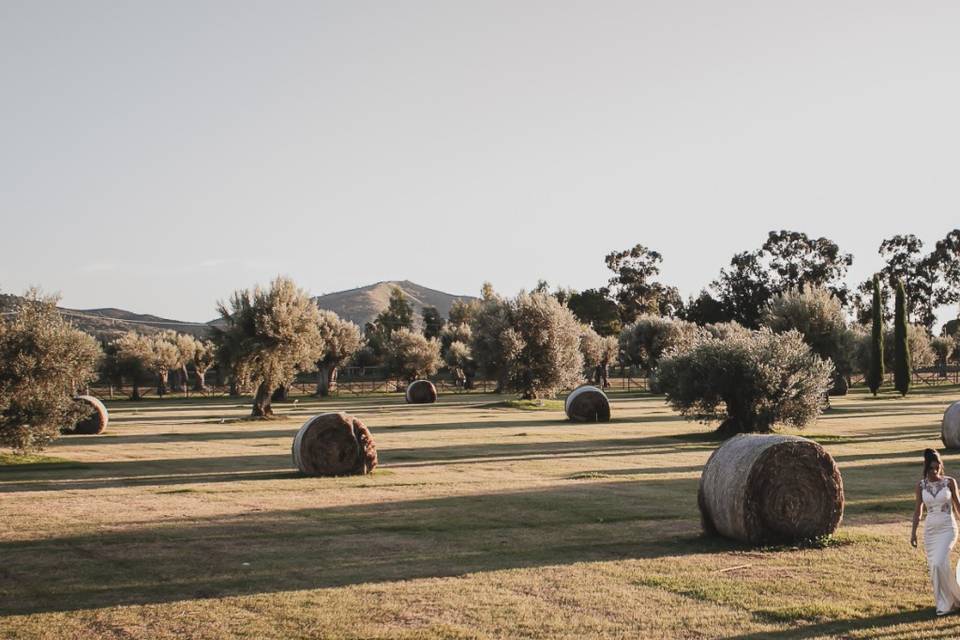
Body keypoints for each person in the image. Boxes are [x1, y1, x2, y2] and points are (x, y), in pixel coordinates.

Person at [911, 448, 960, 615]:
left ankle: (946, 604)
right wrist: (913, 532)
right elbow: (918, 511)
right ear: (926, 468)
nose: (935, 471)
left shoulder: (950, 482)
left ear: (941, 465)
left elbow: (958, 507)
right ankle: (947, 601)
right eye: (931, 468)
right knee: (936, 567)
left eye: (937, 467)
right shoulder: (921, 485)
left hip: (948, 527)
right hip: (931, 531)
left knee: (939, 562)